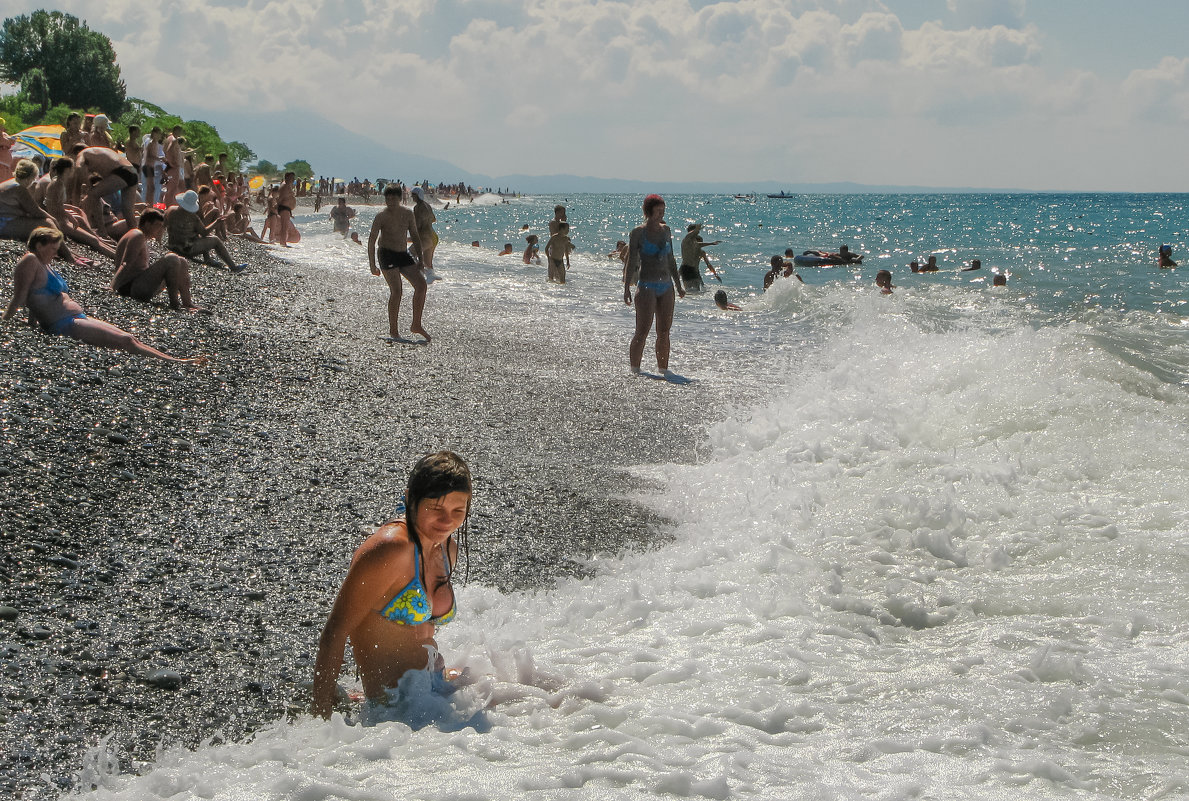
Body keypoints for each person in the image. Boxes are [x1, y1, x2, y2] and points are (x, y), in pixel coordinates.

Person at [312, 451, 471, 718]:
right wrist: (321, 719)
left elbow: (419, 631)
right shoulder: (389, 550)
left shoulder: (445, 549)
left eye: (458, 511)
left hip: (432, 689)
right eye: (436, 509)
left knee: (539, 694)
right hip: (394, 710)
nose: (447, 521)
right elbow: (334, 634)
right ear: (410, 499)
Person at [3, 227, 204, 363]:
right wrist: (6, 322)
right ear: (39, 245)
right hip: (64, 323)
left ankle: (175, 359)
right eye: (53, 249)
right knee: (125, 341)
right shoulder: (30, 261)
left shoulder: (43, 264)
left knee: (130, 337)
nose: (55, 254)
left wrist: (32, 324)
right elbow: (21, 295)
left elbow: (35, 297)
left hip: (75, 317)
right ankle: (178, 362)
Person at [624, 194, 684, 375]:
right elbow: (631, 261)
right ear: (648, 212)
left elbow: (671, 259)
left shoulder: (666, 231)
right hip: (646, 286)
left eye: (663, 211)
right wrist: (627, 287)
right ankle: (635, 370)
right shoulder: (637, 233)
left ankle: (664, 370)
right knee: (642, 331)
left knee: (664, 331)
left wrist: (678, 284)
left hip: (666, 286)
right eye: (658, 211)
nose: (661, 215)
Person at [368, 183, 429, 342]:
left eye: (394, 198)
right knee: (397, 291)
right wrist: (372, 264)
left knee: (421, 285)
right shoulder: (381, 216)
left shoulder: (408, 214)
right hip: (386, 254)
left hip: (402, 254)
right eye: (387, 199)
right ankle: (394, 332)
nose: (390, 201)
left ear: (400, 199)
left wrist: (421, 259)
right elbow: (372, 240)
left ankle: (416, 324)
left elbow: (415, 236)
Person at [0, 159, 89, 266]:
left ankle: (70, 253)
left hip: (6, 221)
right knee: (48, 223)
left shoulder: (10, 183)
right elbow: (35, 211)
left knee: (46, 222)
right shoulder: (20, 189)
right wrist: (53, 219)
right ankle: (70, 258)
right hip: (4, 225)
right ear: (30, 178)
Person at [111, 208, 202, 311]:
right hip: (129, 287)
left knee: (182, 261)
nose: (159, 230)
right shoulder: (137, 235)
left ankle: (187, 303)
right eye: (157, 226)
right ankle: (175, 304)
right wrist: (112, 287)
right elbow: (125, 263)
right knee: (172, 259)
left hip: (138, 283)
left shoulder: (142, 236)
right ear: (148, 224)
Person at [165, 190, 247, 273]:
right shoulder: (193, 217)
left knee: (200, 237)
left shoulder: (170, 210)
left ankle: (207, 258)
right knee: (215, 240)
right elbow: (204, 232)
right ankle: (233, 267)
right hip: (186, 249)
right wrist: (217, 222)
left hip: (172, 245)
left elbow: (163, 224)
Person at [75, 146, 140, 230]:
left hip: (121, 171)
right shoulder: (97, 151)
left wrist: (88, 185)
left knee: (93, 194)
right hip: (132, 171)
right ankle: (137, 235)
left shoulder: (81, 154)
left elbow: (79, 167)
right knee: (128, 212)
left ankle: (102, 231)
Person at [679, 223, 721, 291]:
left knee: (697, 292)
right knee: (690, 291)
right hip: (686, 269)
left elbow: (708, 264)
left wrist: (711, 243)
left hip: (695, 271)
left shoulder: (698, 248)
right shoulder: (686, 240)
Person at [410, 186, 437, 271]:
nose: (411, 197)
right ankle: (429, 280)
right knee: (428, 265)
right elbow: (433, 219)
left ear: (418, 195)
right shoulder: (427, 205)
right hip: (433, 237)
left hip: (425, 239)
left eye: (413, 195)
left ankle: (418, 277)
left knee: (410, 254)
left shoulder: (417, 207)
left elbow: (417, 225)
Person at [0, 117, 15, 182]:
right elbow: (6, 142)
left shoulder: (5, 135)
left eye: (1, 125)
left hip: (8, 167)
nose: (1, 127)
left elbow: (12, 142)